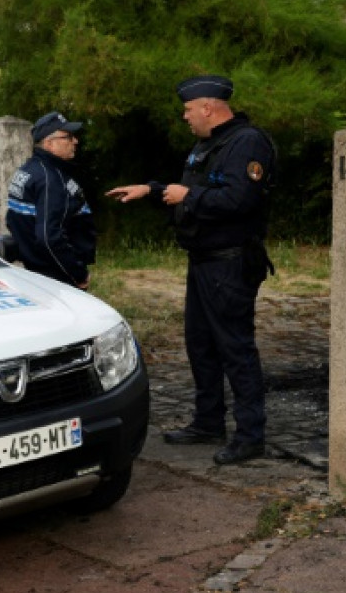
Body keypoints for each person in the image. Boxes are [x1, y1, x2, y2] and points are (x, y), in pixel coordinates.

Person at [107, 76, 276, 465]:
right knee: (201, 345)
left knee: (235, 348)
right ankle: (208, 421)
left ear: (207, 107)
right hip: (203, 262)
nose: (184, 117)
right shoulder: (208, 145)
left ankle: (251, 435)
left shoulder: (247, 142)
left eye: (187, 110)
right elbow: (194, 192)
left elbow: (240, 199)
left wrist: (190, 196)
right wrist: (152, 190)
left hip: (230, 263)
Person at [6, 111, 96, 289]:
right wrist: (76, 273)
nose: (75, 141)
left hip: (36, 272)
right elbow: (48, 238)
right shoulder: (50, 179)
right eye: (68, 137)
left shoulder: (30, 169)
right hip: (55, 276)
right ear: (49, 143)